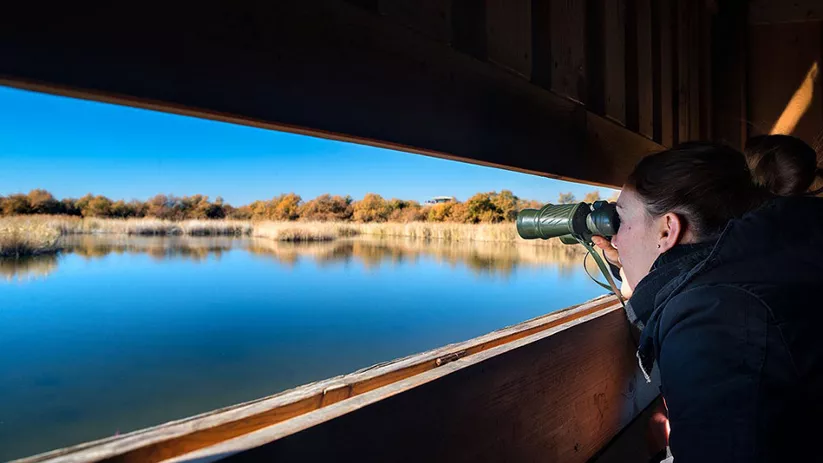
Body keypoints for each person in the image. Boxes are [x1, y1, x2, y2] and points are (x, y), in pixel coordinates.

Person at [591, 140, 823, 462]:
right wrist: (651, 280)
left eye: (622, 220)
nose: (615, 238)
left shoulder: (709, 322)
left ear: (667, 231)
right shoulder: (757, 274)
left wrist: (669, 453)